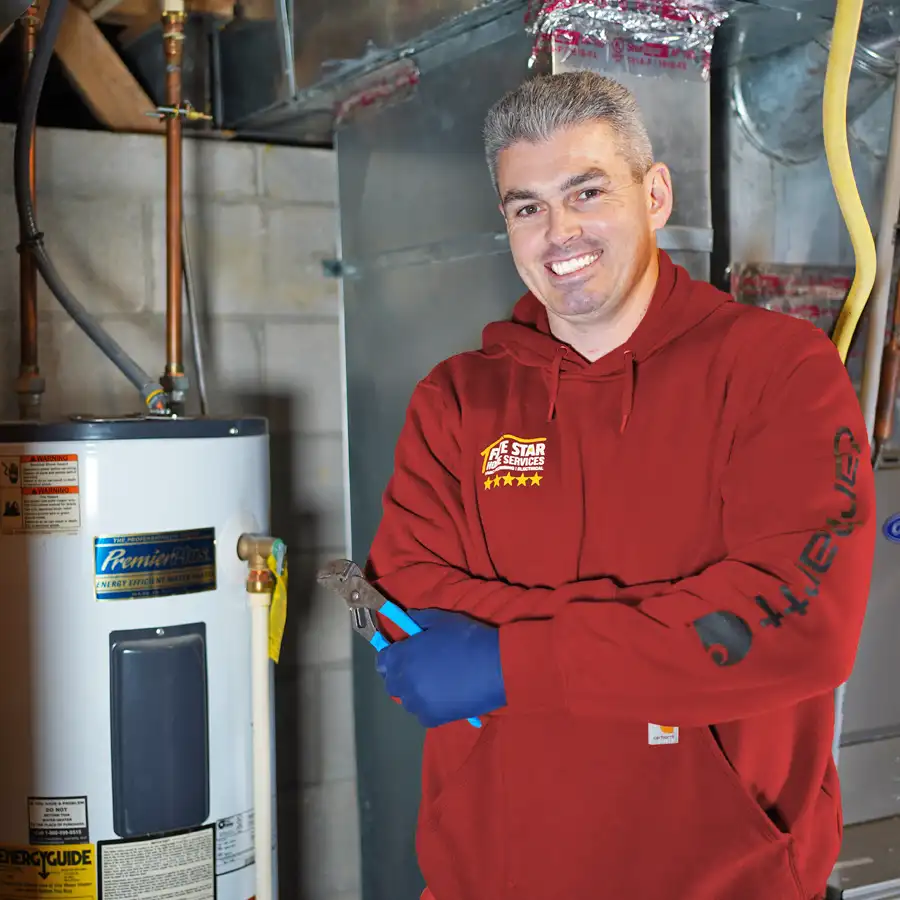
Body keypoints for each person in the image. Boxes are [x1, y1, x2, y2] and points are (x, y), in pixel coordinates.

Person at [366, 70, 876, 900]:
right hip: (494, 874)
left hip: (721, 877)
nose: (558, 231)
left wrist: (510, 661)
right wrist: (660, 623)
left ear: (656, 195)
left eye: (587, 191)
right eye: (526, 206)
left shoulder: (778, 371)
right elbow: (411, 600)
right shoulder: (458, 398)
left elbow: (795, 620)